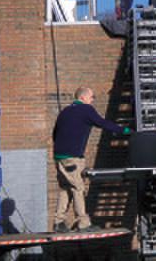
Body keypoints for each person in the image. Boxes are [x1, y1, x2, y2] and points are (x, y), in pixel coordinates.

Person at [53, 87, 131, 233]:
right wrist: (124, 130)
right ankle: (83, 223)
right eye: (91, 96)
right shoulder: (86, 110)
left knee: (66, 188)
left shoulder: (65, 111)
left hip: (59, 156)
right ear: (82, 98)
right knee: (78, 188)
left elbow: (55, 133)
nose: (93, 99)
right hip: (72, 157)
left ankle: (58, 222)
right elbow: (103, 123)